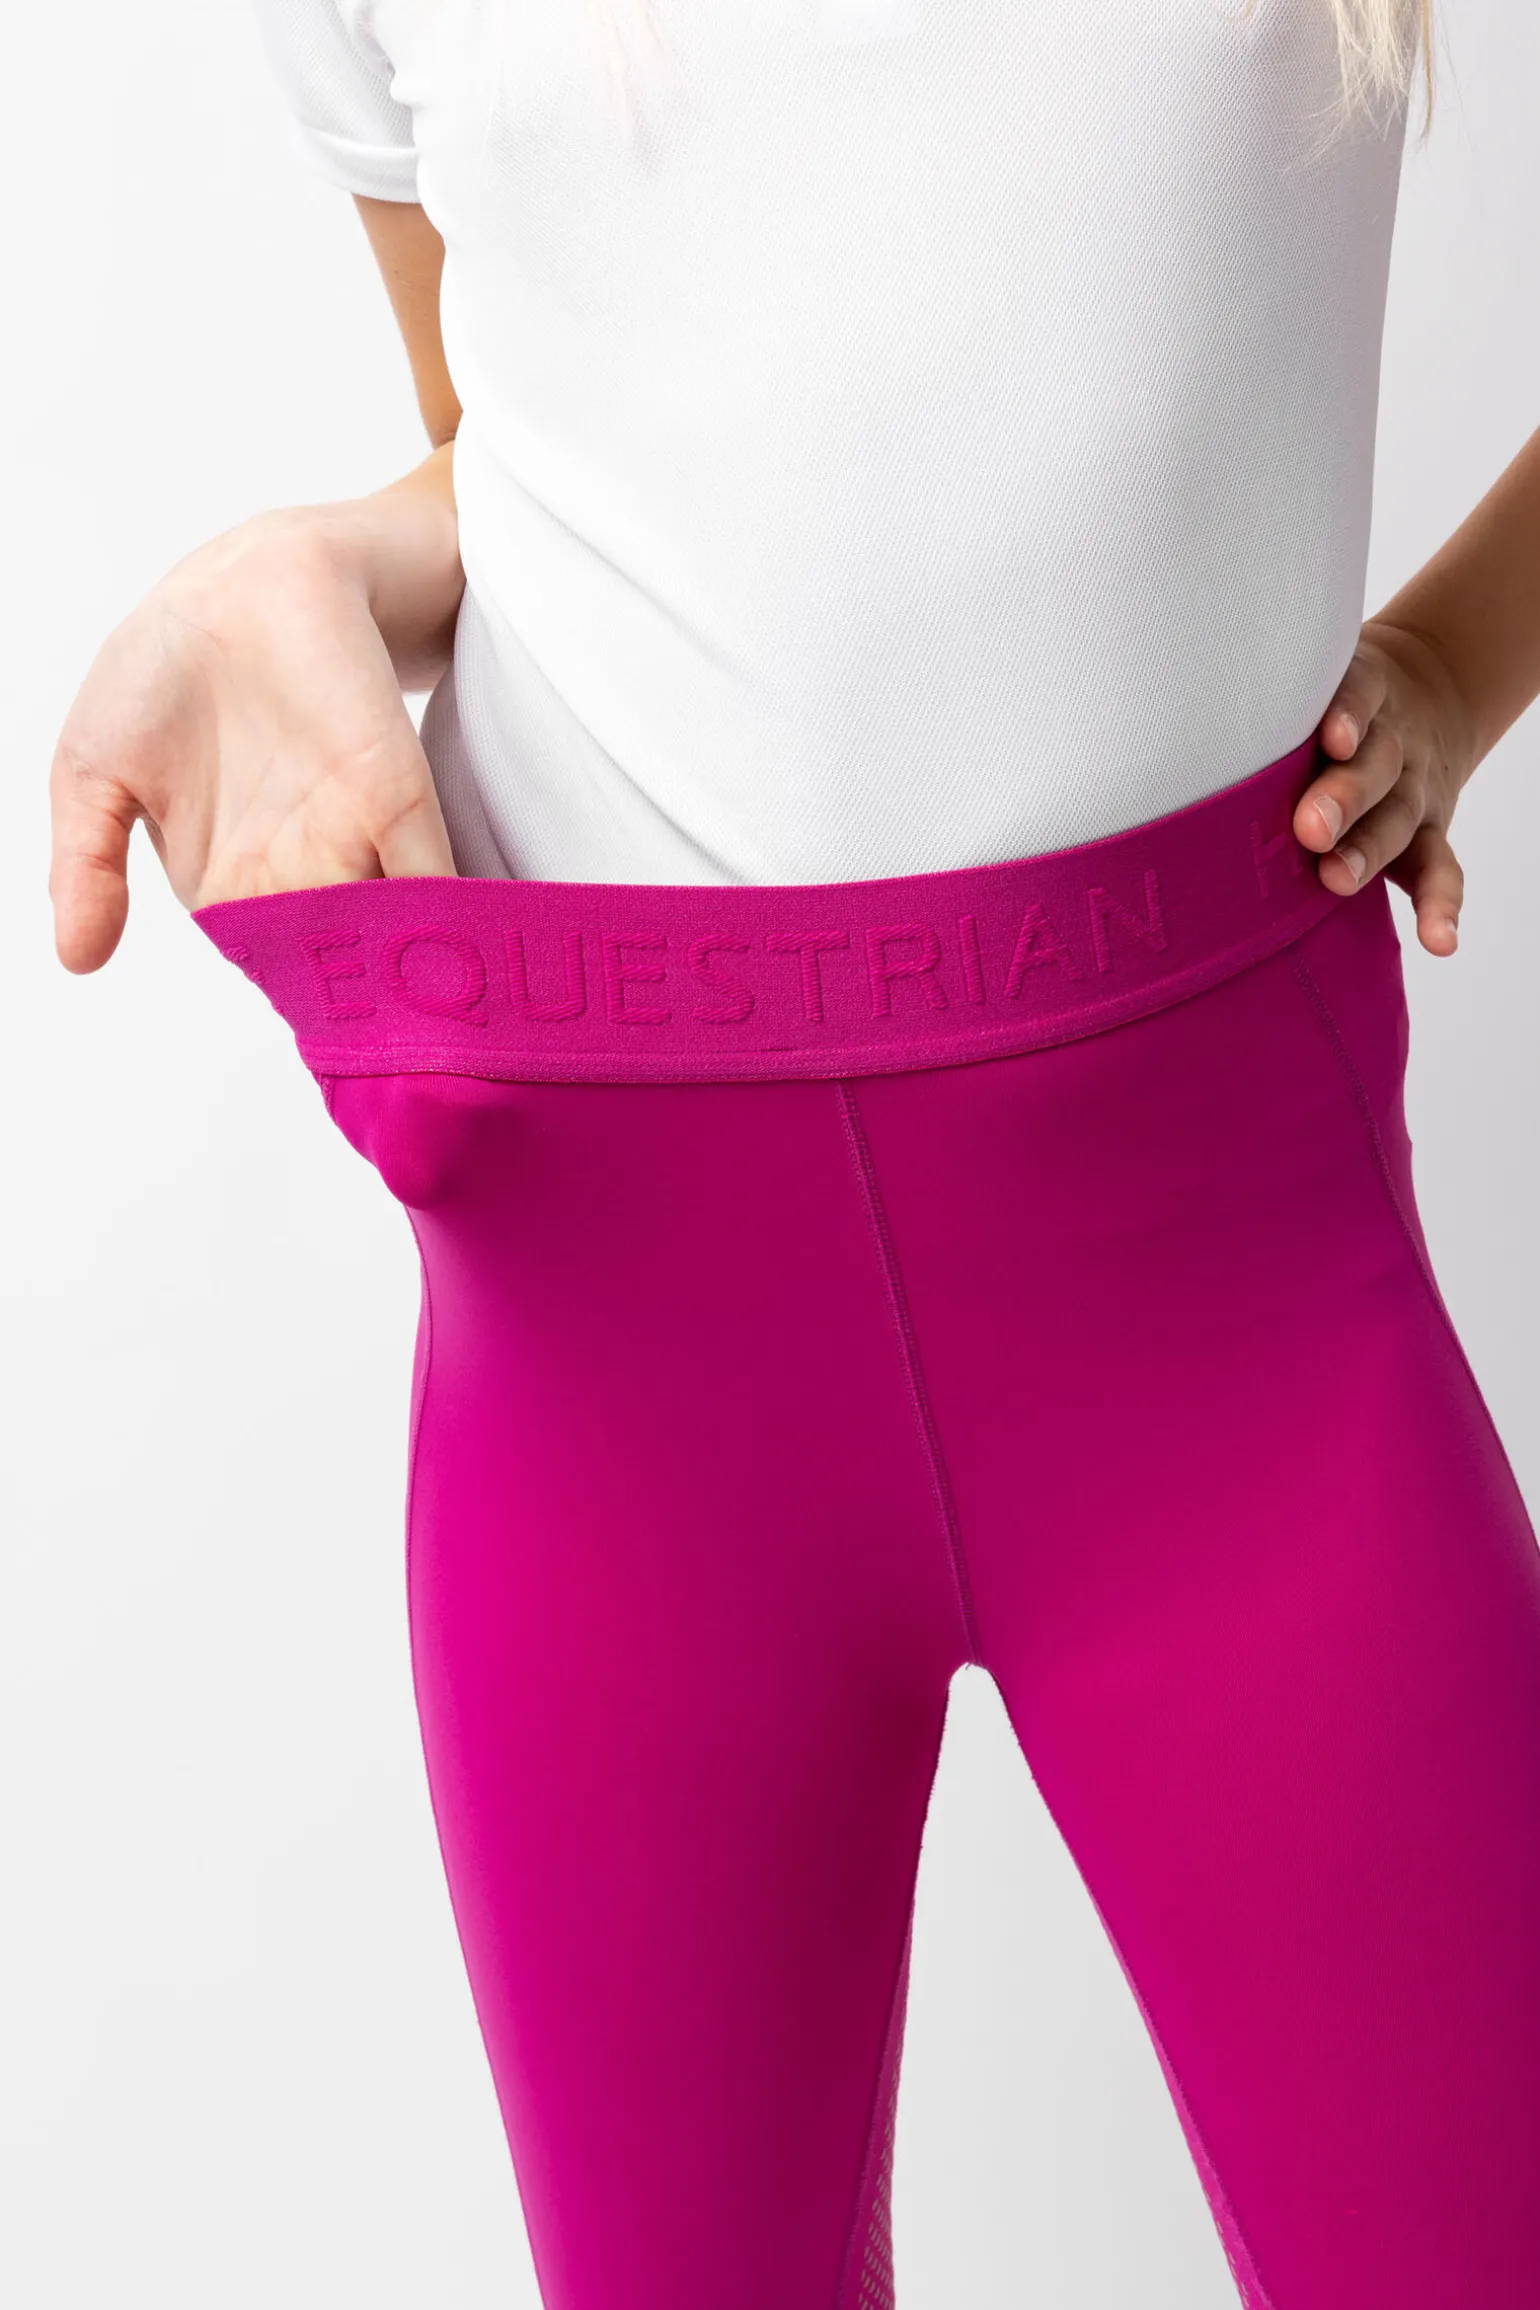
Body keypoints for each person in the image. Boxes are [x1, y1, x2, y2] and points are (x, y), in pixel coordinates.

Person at [46, 3, 1540, 2304]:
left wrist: (1457, 655)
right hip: (615, 1354)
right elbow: (527, 457)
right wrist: (289, 569)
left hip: (1226, 1301)